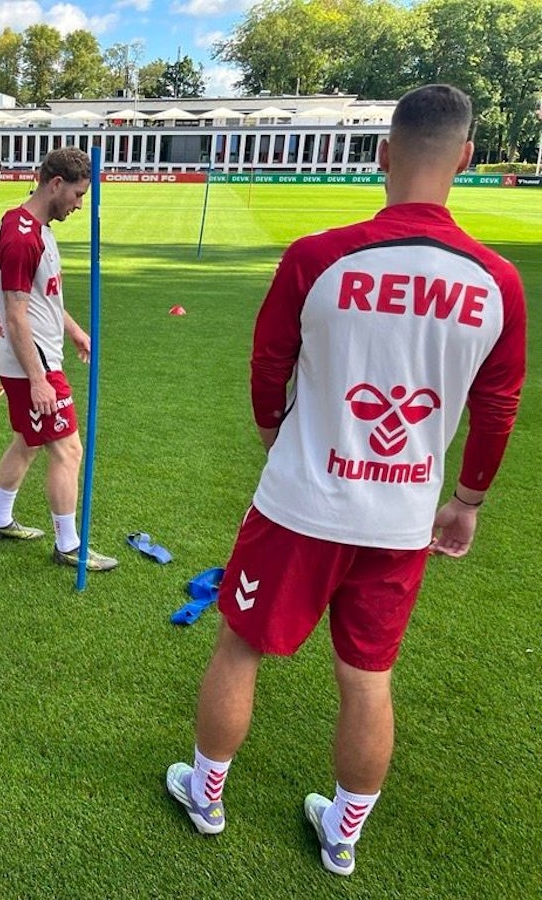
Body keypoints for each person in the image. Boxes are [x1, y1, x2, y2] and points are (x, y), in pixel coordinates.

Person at [166, 84, 526, 876]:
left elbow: (269, 365)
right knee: (368, 679)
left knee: (241, 644)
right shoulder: (497, 282)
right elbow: (498, 407)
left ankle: (208, 792)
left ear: (382, 154)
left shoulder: (320, 256)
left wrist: (273, 435)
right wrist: (465, 502)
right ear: (466, 157)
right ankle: (344, 833)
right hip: (401, 519)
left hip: (300, 503)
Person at [0, 147, 118, 572]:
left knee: (28, 441)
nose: (80, 205)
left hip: (36, 356)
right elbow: (16, 309)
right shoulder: (21, 236)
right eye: (78, 195)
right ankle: (69, 545)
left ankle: (0, 519)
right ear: (55, 184)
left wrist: (75, 329)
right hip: (33, 363)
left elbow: (43, 298)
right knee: (68, 451)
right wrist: (39, 379)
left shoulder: (33, 227)